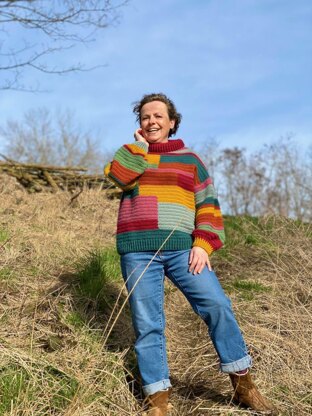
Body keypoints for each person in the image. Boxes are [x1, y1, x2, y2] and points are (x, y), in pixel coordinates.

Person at [104, 93, 277, 416]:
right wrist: (140, 148)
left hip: (183, 249)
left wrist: (203, 243)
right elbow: (118, 177)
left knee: (217, 305)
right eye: (145, 116)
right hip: (138, 253)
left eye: (158, 116)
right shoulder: (130, 154)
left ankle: (243, 385)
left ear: (172, 122)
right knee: (147, 323)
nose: (151, 121)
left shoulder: (190, 160)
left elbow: (208, 206)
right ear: (139, 125)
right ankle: (158, 399)